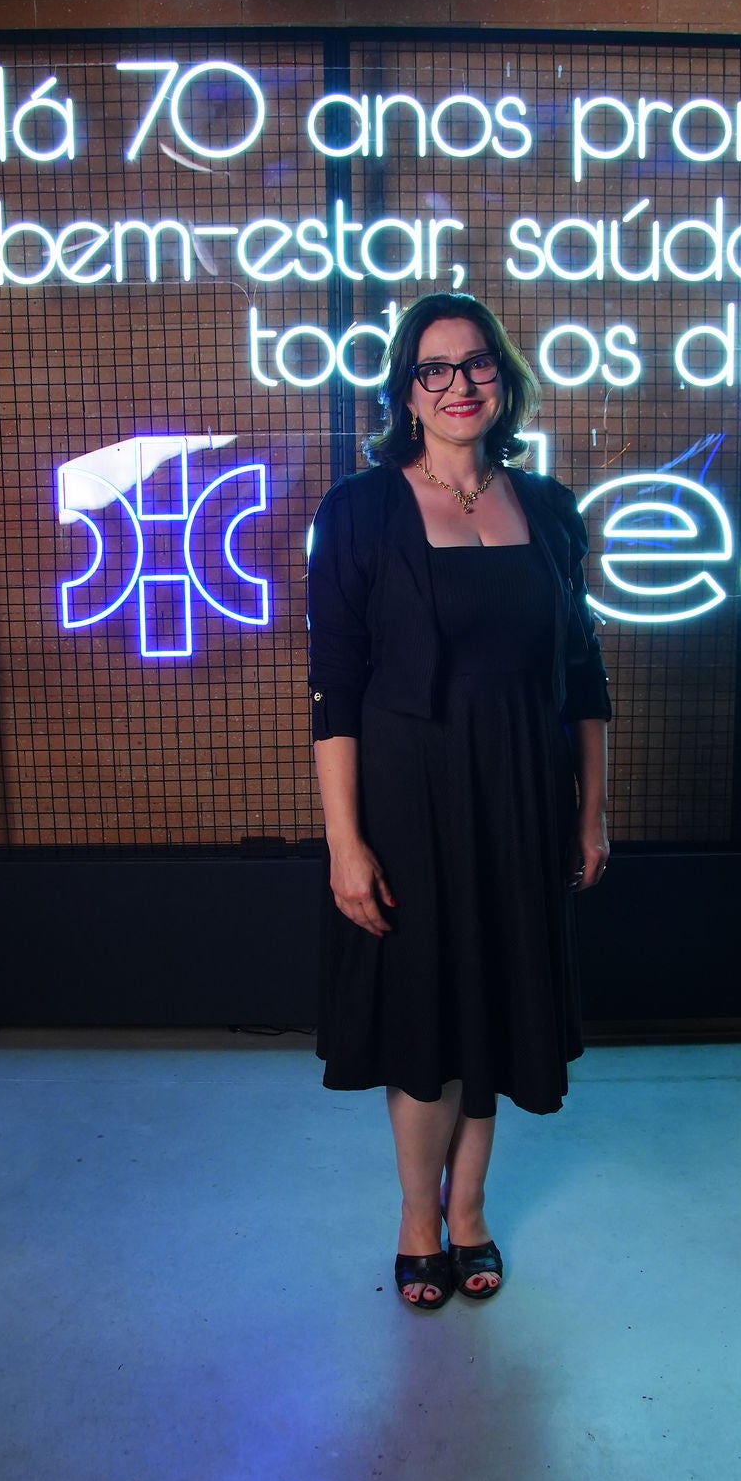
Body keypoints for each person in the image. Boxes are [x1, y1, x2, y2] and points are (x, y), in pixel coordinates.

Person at [307, 292, 611, 1312]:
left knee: (497, 1006)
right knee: (425, 1019)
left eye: (477, 363)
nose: (459, 384)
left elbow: (583, 676)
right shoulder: (359, 511)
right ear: (407, 392)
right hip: (410, 803)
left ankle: (469, 1210)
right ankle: (417, 1221)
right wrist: (345, 840)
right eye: (434, 368)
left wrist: (590, 809)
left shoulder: (551, 508)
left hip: (521, 795)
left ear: (504, 380)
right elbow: (334, 687)